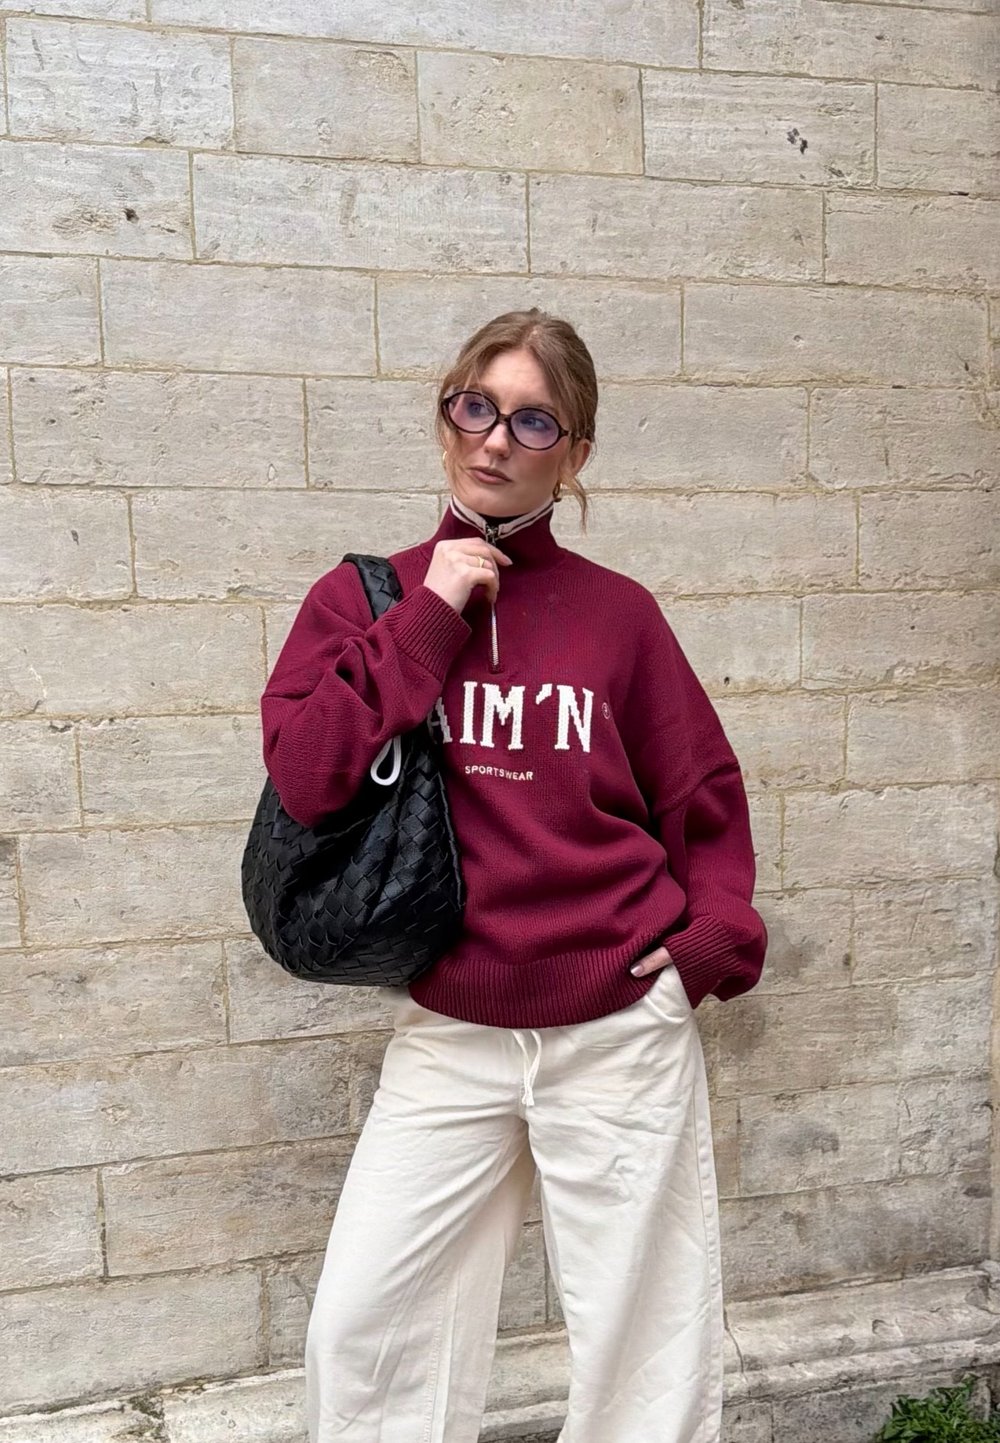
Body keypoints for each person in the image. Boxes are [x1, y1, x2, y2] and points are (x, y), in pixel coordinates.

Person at [259, 307, 768, 1443]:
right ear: (447, 415)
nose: (495, 439)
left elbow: (701, 793)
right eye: (476, 407)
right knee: (366, 1334)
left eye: (533, 421)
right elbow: (305, 774)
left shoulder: (618, 616)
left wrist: (703, 951)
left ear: (573, 453)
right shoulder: (367, 599)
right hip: (453, 1028)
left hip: (617, 1027)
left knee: (643, 1352)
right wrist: (432, 614)